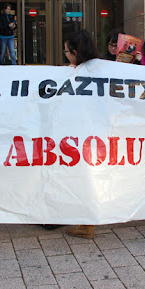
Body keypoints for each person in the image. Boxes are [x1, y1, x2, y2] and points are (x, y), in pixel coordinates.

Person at [63, 30, 99, 239]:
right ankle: (87, 222)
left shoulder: (75, 73)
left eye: (67, 51)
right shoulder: (99, 68)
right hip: (94, 135)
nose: (65, 55)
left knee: (84, 178)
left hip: (82, 134)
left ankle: (87, 224)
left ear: (75, 52)